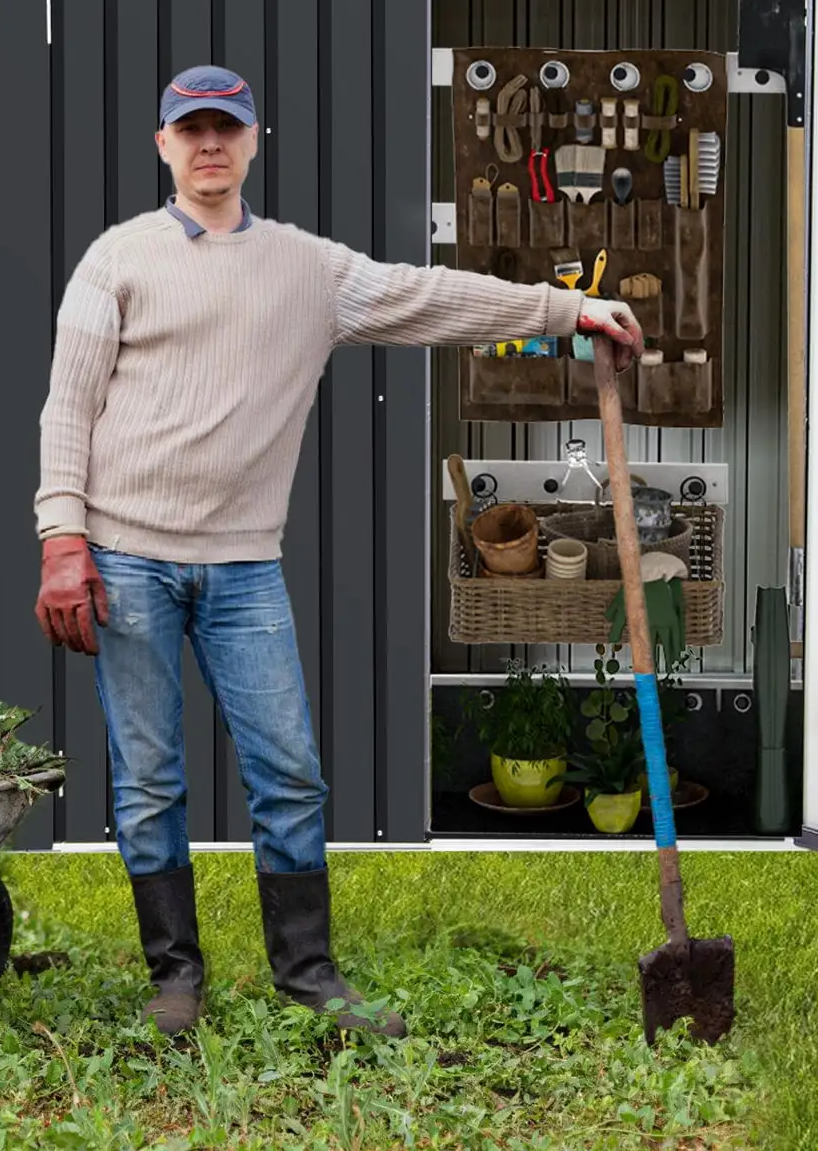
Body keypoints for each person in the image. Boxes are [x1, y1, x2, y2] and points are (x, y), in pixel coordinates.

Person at [33, 64, 643, 1041]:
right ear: (163, 145)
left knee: (289, 771)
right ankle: (175, 980)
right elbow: (68, 407)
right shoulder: (116, 262)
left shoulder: (310, 270)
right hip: (127, 558)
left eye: (224, 128)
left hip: (242, 568)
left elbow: (430, 295)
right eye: (189, 130)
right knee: (148, 776)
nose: (208, 145)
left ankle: (308, 973)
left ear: (251, 140)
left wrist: (566, 312)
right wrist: (64, 539)